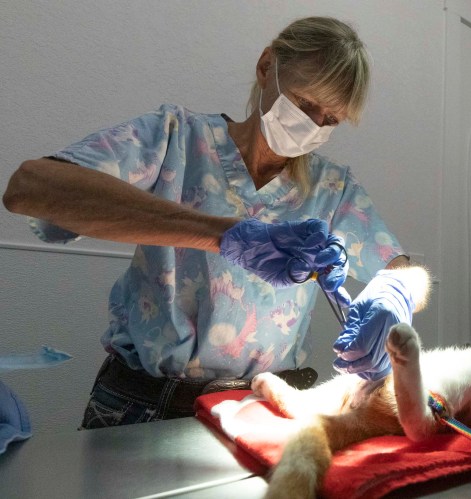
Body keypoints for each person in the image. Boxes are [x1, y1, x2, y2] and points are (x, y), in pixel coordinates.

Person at [2, 16, 428, 429]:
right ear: (266, 68)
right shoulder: (177, 139)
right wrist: (226, 236)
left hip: (270, 407)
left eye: (330, 120)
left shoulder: (332, 189)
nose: (313, 125)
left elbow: (404, 269)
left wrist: (397, 292)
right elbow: (31, 188)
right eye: (304, 104)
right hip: (146, 405)